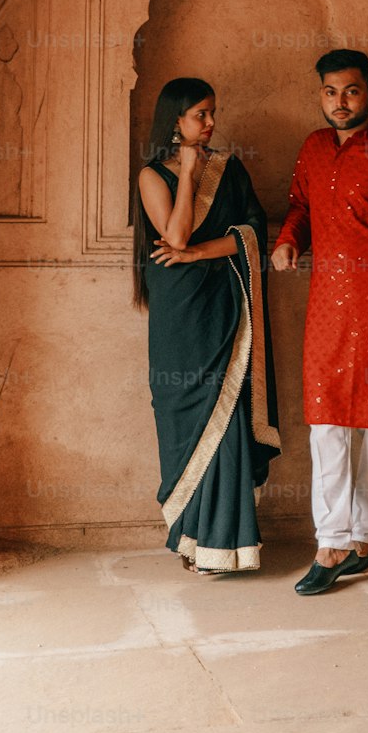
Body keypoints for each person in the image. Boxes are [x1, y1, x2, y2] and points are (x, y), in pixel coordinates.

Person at [272, 49, 368, 595]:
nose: (340, 102)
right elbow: (299, 205)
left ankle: (367, 537)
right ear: (320, 94)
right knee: (326, 425)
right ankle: (333, 539)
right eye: (330, 92)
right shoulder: (314, 150)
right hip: (325, 313)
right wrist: (290, 238)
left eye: (352, 91)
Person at [133, 77, 280, 573]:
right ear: (175, 120)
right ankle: (189, 536)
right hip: (179, 311)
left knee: (230, 410)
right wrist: (190, 173)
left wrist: (198, 252)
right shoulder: (152, 175)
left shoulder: (231, 169)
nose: (211, 123)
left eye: (213, 112)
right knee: (181, 411)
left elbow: (253, 232)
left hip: (225, 301)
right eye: (200, 114)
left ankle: (224, 544)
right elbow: (173, 233)